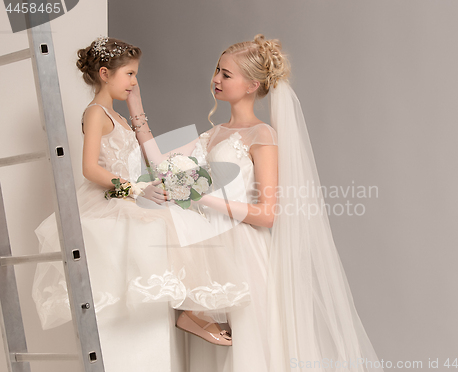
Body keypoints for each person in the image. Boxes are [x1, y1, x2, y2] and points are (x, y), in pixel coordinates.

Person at [133, 34, 385, 371]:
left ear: (253, 84)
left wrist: (201, 195)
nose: (216, 80)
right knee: (215, 357)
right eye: (217, 71)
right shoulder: (214, 134)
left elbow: (267, 215)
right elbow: (160, 165)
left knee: (250, 352)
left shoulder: (262, 135)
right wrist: (135, 106)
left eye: (226, 74)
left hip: (246, 253)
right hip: (210, 251)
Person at [31, 36, 251, 372]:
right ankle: (186, 314)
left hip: (132, 194)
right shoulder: (95, 113)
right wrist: (135, 190)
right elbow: (90, 169)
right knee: (164, 226)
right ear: (105, 73)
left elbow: (146, 161)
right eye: (130, 74)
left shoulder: (117, 117)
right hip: (110, 200)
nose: (134, 82)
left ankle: (187, 312)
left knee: (180, 222)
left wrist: (137, 111)